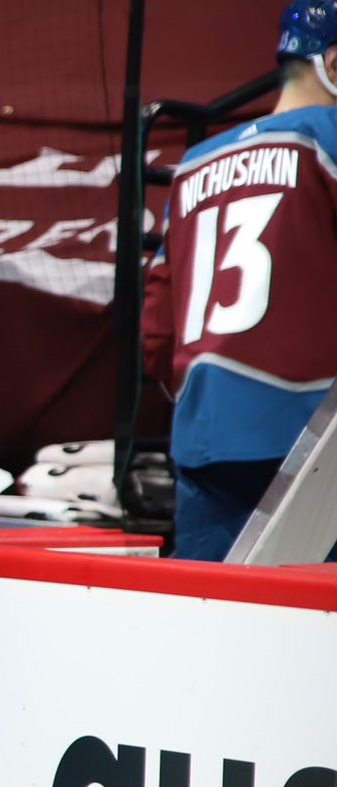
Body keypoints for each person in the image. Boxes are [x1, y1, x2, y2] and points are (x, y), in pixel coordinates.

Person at [141, 0, 337, 561]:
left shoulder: (195, 162)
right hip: (313, 440)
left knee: (216, 624)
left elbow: (156, 330)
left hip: (205, 434)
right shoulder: (327, 138)